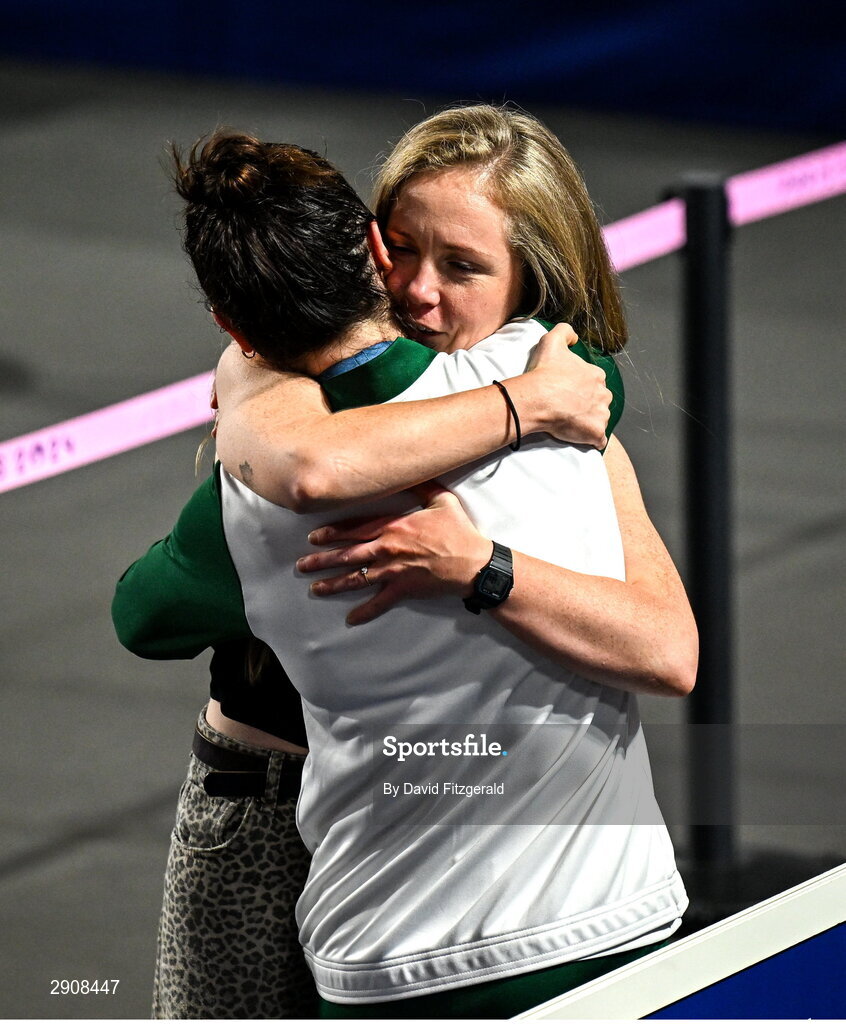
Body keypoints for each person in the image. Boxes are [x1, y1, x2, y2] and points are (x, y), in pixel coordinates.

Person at [114, 110, 696, 1018]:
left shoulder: (561, 391)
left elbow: (146, 616)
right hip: (303, 827)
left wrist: (478, 561)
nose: (423, 292)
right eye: (405, 255)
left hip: (396, 906)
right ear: (371, 258)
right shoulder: (562, 392)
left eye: (463, 267)